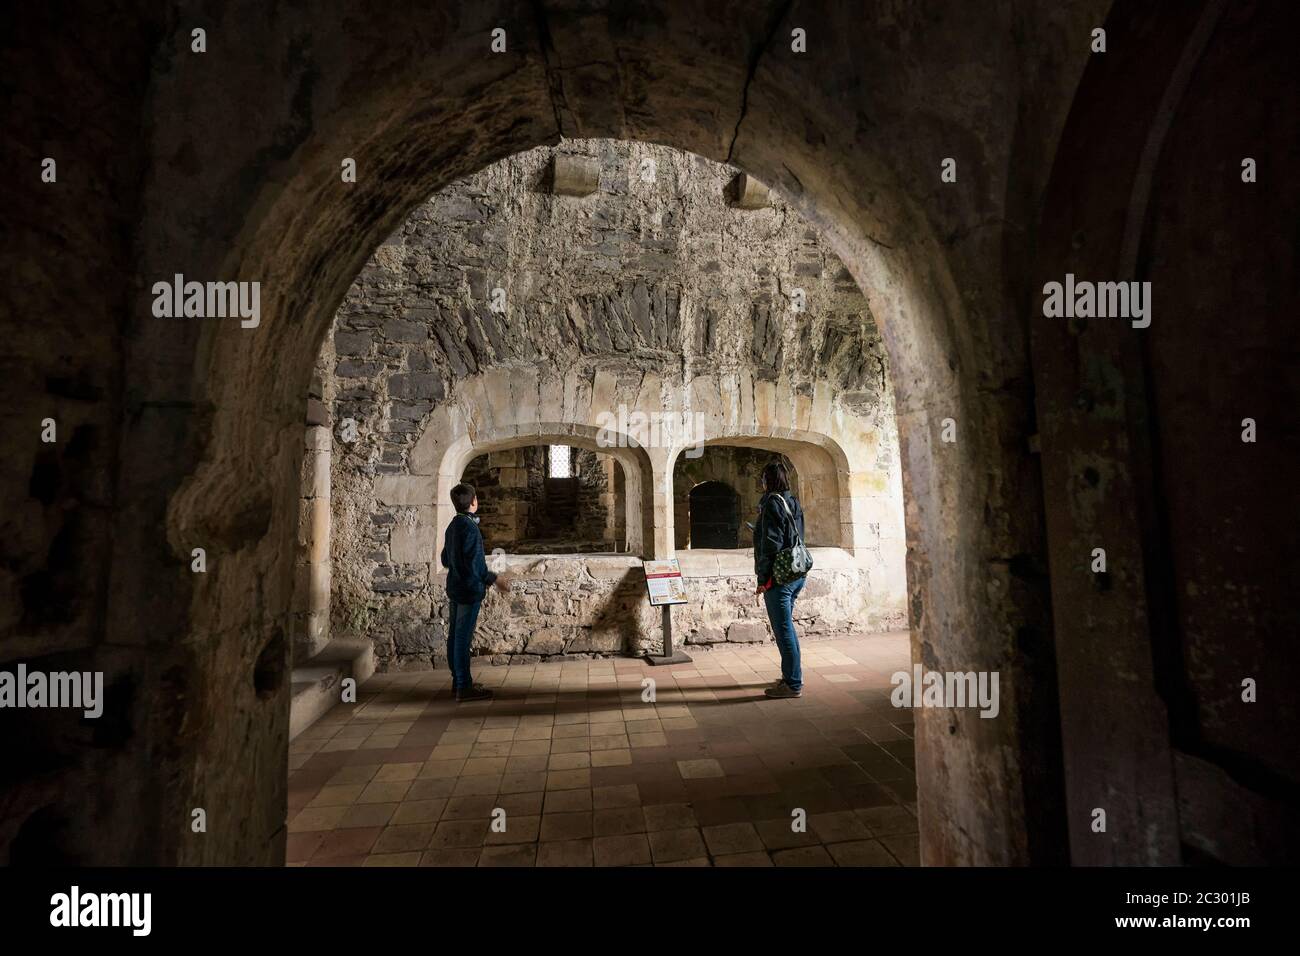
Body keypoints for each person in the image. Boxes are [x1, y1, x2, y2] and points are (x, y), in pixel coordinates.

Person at [440, 482, 510, 702]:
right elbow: (476, 566)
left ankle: (457, 681)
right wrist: (495, 578)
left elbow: (444, 559)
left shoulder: (453, 525)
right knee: (462, 639)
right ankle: (463, 687)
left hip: (455, 588)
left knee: (455, 637)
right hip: (469, 590)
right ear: (473, 502)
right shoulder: (470, 527)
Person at [752, 461, 807, 698]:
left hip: (779, 577)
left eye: (763, 478)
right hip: (796, 572)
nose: (761, 482)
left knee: (783, 630)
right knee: (787, 628)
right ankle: (791, 675)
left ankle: (793, 684)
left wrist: (763, 579)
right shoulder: (791, 500)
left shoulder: (772, 503)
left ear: (768, 480)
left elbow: (771, 545)